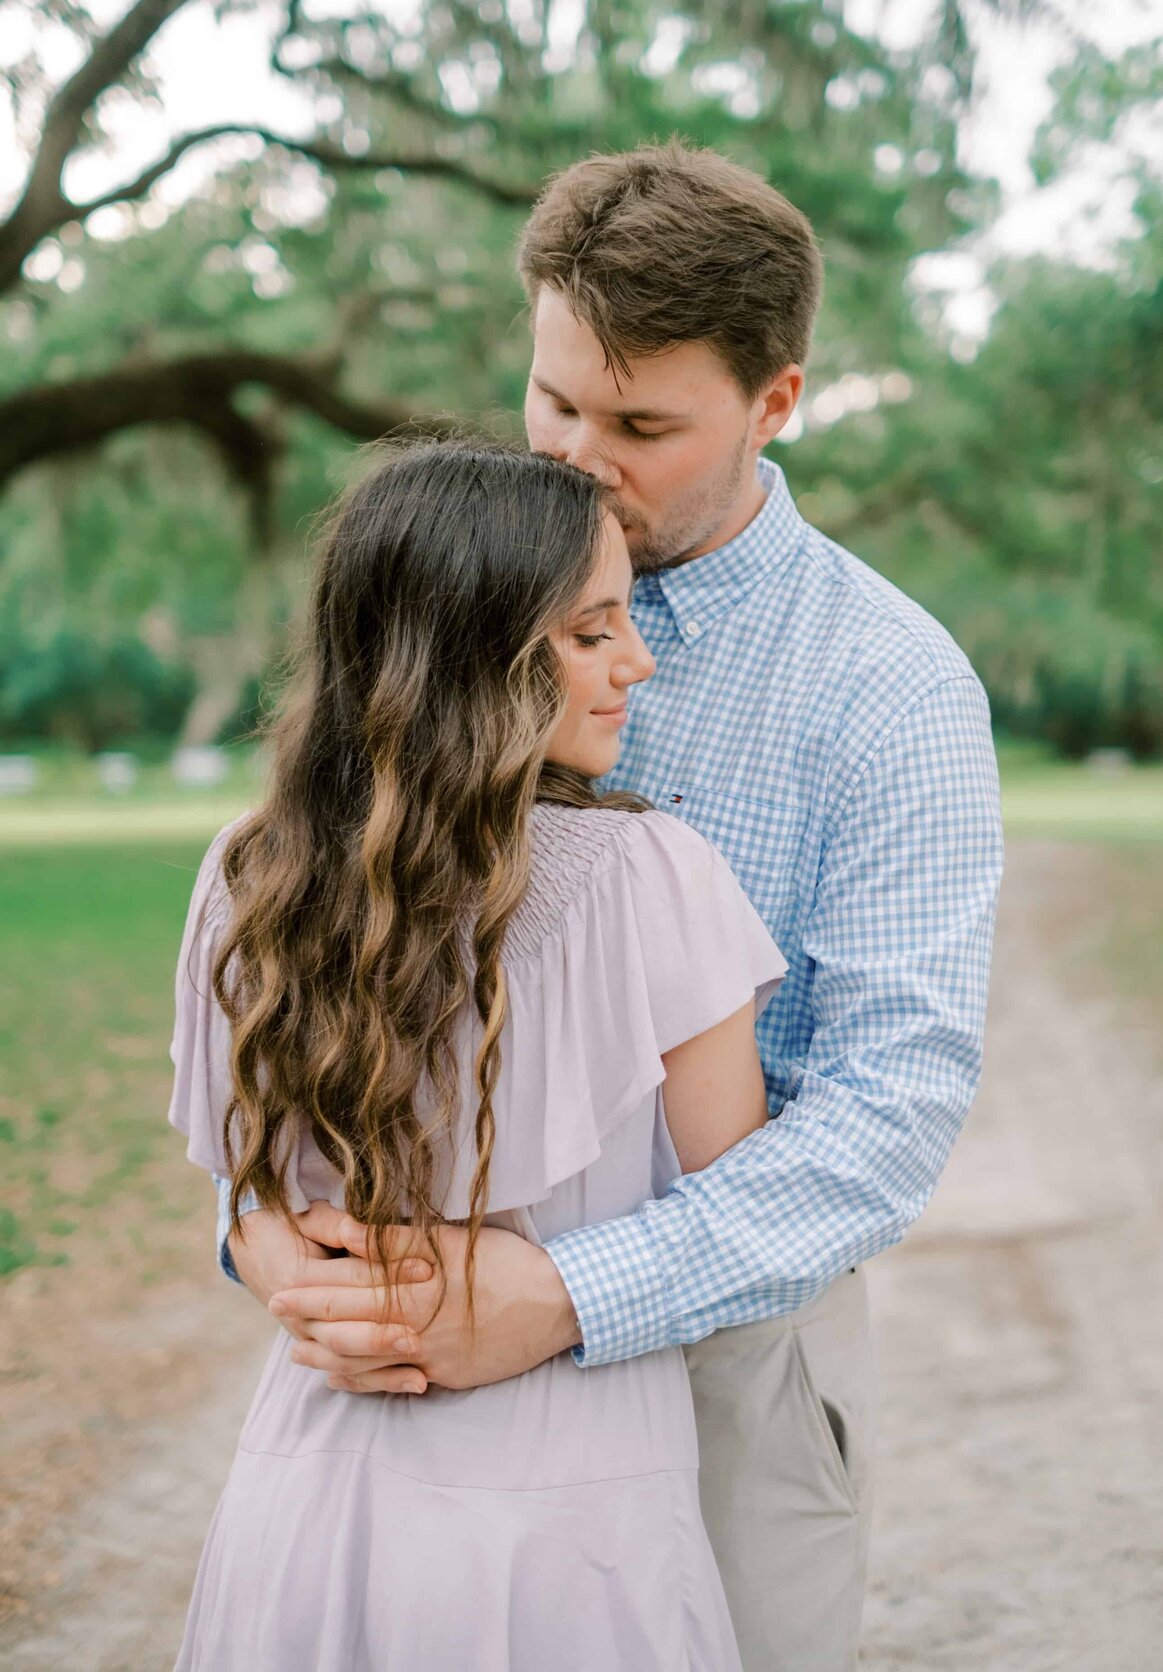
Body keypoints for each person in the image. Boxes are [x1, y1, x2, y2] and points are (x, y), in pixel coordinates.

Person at [217, 144, 1005, 1670]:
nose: (580, 458)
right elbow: (316, 922)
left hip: (714, 1355)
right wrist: (263, 1230)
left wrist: (570, 1293)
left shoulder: (892, 690)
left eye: (642, 425)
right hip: (392, 1350)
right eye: (555, 401)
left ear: (777, 402)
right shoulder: (454, 596)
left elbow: (891, 1107)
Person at [170, 440, 788, 1669]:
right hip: (575, 1512)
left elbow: (244, 1196)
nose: (637, 661)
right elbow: (741, 1213)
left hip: (312, 1492)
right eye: (591, 631)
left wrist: (313, 1278)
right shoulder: (652, 876)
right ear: (479, 659)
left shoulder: (250, 877)